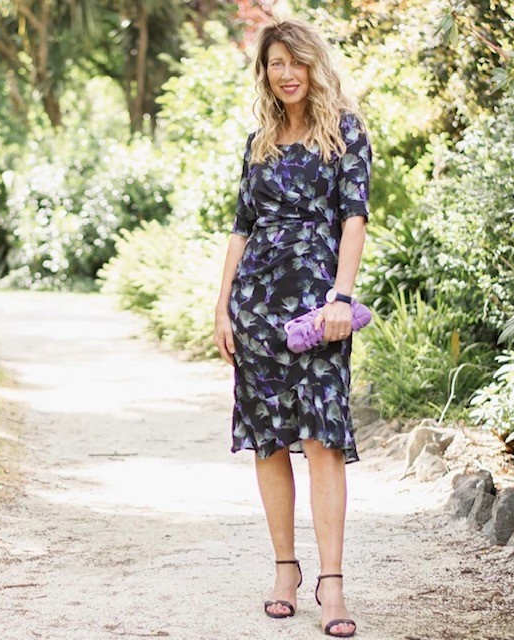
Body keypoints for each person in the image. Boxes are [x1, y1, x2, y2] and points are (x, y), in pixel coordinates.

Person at [213, 18, 372, 639]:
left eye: (296, 62)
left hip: (316, 312)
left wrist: (341, 296)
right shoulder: (259, 141)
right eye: (276, 63)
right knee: (269, 441)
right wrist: (222, 305)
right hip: (255, 307)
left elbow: (353, 219)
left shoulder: (346, 134)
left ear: (314, 66)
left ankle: (331, 583)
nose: (287, 74)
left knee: (324, 441)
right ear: (265, 71)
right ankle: (286, 570)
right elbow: (240, 228)